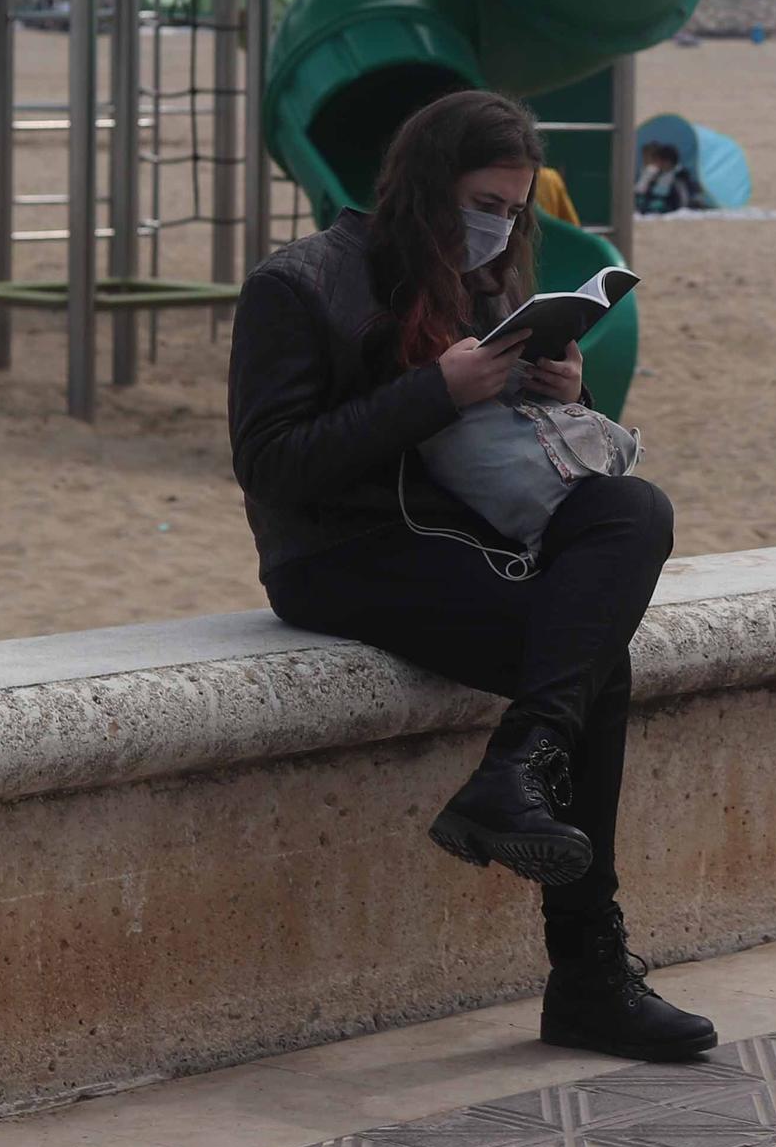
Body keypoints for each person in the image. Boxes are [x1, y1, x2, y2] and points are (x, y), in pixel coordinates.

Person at [229, 89, 716, 1064]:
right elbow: (272, 463)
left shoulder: (480, 283)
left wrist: (558, 385)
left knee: (635, 508)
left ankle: (515, 773)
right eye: (481, 200)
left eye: (510, 205)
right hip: (341, 553)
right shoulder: (299, 281)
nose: (496, 222)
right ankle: (586, 968)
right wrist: (431, 390)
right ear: (423, 187)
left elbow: (511, 459)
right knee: (591, 665)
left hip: (467, 537)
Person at [634, 142, 693, 216]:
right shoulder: (658, 174)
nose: (657, 163)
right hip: (655, 203)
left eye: (659, 160)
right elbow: (648, 191)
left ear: (667, 161)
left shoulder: (679, 176)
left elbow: (682, 199)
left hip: (669, 205)